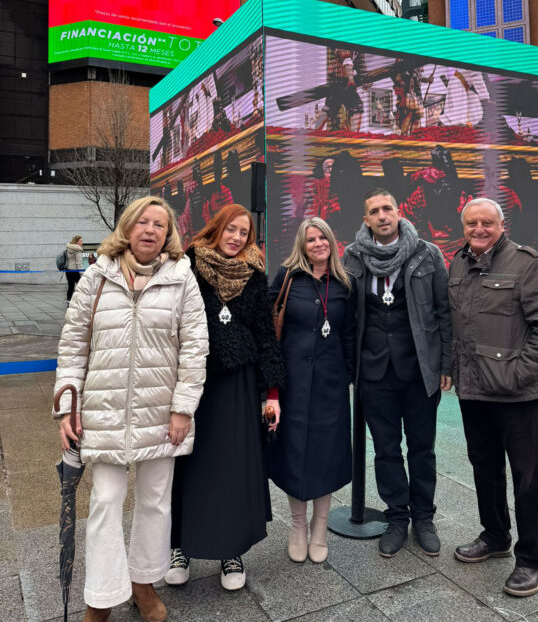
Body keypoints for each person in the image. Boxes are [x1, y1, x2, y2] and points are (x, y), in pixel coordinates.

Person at [53, 197, 209, 622]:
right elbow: (72, 346)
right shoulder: (96, 276)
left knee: (155, 499)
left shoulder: (182, 278)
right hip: (102, 410)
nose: (151, 229)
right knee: (105, 500)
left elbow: (195, 349)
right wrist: (67, 407)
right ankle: (101, 597)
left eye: (160, 224)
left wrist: (183, 408)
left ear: (168, 234)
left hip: (162, 412)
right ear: (128, 226)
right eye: (143, 221)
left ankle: (143, 583)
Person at [449, 198, 538, 598]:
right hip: (473, 391)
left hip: (517, 395)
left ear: (502, 224)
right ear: (463, 227)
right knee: (484, 468)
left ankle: (532, 559)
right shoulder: (458, 263)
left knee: (527, 478)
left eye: (486, 222)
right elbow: (459, 327)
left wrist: (520, 374)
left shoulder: (528, 263)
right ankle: (495, 535)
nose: (478, 229)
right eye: (471, 223)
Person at [166, 204, 284, 591]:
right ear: (216, 229)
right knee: (188, 464)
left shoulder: (253, 277)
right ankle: (179, 545)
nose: (236, 238)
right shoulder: (188, 269)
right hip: (194, 383)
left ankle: (230, 551)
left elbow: (266, 336)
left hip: (237, 385)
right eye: (231, 229)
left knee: (232, 469)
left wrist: (271, 393)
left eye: (244, 233)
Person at [343, 189, 452, 558]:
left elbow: (444, 312)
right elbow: (347, 316)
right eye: (374, 211)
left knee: (422, 449)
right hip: (374, 372)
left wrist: (446, 364)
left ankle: (423, 518)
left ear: (399, 211)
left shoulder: (427, 253)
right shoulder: (353, 257)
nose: (382, 215)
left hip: (420, 369)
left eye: (387, 208)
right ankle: (396, 519)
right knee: (386, 451)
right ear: (366, 220)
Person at [269, 217, 356, 563]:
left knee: (326, 455)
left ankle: (320, 528)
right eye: (310, 240)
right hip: (292, 381)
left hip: (330, 384)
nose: (318, 243)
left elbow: (349, 334)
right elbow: (269, 325)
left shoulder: (346, 283)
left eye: (323, 238)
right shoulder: (288, 278)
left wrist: (348, 374)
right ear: (301, 246)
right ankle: (298, 526)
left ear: (332, 242)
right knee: (294, 454)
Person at [65, 235, 83, 304]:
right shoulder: (78, 249)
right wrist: (81, 273)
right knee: (80, 286)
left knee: (70, 286)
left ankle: (69, 300)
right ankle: (79, 300)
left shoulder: (69, 248)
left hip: (68, 270)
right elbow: (79, 262)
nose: (82, 242)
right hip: (75, 271)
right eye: (81, 241)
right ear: (77, 242)